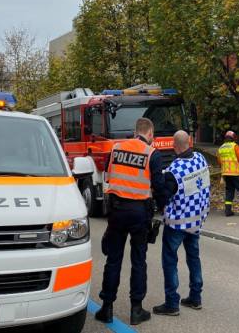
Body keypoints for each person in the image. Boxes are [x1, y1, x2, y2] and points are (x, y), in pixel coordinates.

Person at [95, 117, 165, 326]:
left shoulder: (116, 149)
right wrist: (163, 205)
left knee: (113, 260)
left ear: (136, 131)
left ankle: (106, 307)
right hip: (139, 213)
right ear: (150, 133)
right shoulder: (152, 154)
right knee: (138, 261)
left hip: (116, 211)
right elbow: (159, 186)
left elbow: (108, 175)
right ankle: (136, 309)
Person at [153, 130, 211, 317]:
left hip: (177, 223)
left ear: (174, 146)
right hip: (196, 221)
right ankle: (196, 297)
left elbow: (164, 195)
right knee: (193, 258)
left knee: (170, 261)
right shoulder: (201, 159)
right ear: (190, 142)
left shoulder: (174, 170)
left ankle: (172, 304)